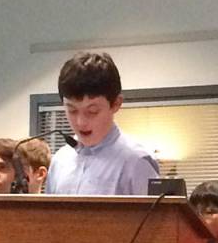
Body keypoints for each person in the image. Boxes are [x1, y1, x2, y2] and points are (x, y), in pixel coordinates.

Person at [44, 52, 159, 195]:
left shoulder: (136, 161)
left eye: (92, 111)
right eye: (72, 110)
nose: (81, 122)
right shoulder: (60, 161)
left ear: (116, 104)